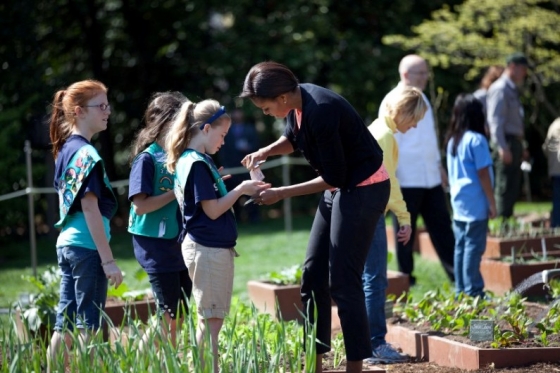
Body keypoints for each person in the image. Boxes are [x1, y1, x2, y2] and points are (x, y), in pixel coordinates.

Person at [240, 61, 390, 373]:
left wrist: (279, 193)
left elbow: (334, 177)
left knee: (344, 280)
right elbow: (293, 139)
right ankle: (316, 362)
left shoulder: (321, 109)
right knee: (312, 275)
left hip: (363, 189)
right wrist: (265, 152)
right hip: (339, 187)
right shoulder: (298, 103)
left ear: (281, 98)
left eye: (266, 109)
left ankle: (355, 366)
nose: (265, 114)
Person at [165, 99, 270, 373]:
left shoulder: (192, 160)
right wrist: (241, 189)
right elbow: (211, 212)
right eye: (222, 135)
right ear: (206, 128)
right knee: (211, 322)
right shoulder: (198, 163)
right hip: (207, 249)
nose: (224, 142)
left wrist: (219, 188)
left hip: (205, 248)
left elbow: (201, 202)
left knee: (209, 320)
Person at [46, 80, 123, 371]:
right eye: (101, 106)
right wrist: (109, 261)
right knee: (89, 324)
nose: (108, 111)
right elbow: (90, 207)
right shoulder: (87, 155)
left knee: (63, 322)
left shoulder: (65, 149)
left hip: (67, 243)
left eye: (108, 105)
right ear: (78, 111)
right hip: (87, 247)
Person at [363, 87, 427, 364]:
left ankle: (364, 343)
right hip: (371, 212)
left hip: (359, 210)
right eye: (413, 119)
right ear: (402, 112)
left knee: (367, 279)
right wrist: (405, 218)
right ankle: (375, 344)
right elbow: (388, 182)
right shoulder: (386, 136)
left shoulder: (375, 128)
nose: (413, 126)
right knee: (375, 281)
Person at [379, 54, 455, 285]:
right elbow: (388, 142)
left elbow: (430, 138)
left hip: (430, 178)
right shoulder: (391, 100)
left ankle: (457, 277)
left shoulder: (423, 99)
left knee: (442, 228)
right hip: (405, 179)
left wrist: (439, 167)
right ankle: (406, 279)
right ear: (405, 75)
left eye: (425, 72)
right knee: (405, 232)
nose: (424, 77)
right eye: (420, 73)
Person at [127, 91, 192, 350]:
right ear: (167, 122)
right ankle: (147, 363)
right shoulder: (147, 159)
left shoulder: (182, 155)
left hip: (179, 246)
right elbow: (140, 206)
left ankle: (157, 361)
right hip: (156, 248)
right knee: (168, 316)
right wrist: (174, 192)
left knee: (181, 312)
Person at [445, 94, 496, 297]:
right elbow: (483, 173)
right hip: (475, 202)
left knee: (461, 246)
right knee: (474, 247)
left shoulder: (453, 141)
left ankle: (460, 290)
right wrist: (492, 202)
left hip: (459, 202)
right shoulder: (477, 140)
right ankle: (473, 290)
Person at [486, 52, 529, 218]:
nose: (524, 73)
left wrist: (522, 145)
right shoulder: (500, 88)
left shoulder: (512, 89)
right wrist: (503, 147)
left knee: (512, 187)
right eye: (523, 69)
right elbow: (495, 121)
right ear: (512, 67)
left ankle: (507, 223)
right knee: (504, 187)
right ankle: (500, 225)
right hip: (506, 143)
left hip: (514, 143)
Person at [218, 109, 260, 221]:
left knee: (251, 192)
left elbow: (256, 145)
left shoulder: (250, 129)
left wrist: (249, 148)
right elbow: (223, 150)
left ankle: (254, 218)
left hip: (247, 167)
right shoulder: (227, 131)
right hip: (231, 168)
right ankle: (237, 218)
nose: (237, 115)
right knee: (233, 193)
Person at [543, 118, 560, 227]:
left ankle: (556, 225)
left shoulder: (554, 124)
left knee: (557, 199)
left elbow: (546, 148)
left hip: (555, 169)